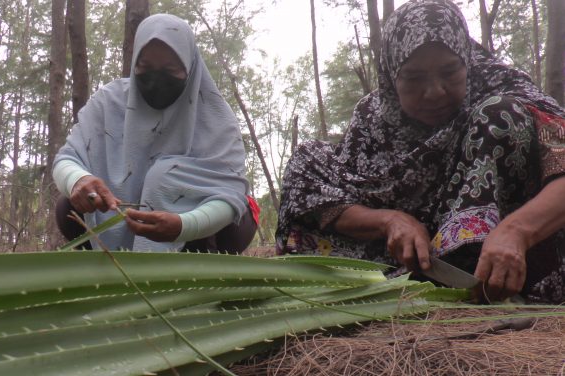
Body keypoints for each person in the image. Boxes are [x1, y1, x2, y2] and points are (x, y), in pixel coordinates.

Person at [276, 0, 565, 303]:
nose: (434, 91)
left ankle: (494, 278)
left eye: (450, 72)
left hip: (510, 263)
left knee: (502, 116)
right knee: (304, 160)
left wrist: (518, 231)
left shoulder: (502, 88)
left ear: (466, 60)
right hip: (406, 262)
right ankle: (398, 282)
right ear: (391, 76)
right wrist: (389, 221)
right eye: (414, 79)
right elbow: (318, 187)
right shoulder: (372, 121)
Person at [53, 14, 258, 253]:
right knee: (66, 204)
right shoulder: (109, 102)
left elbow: (230, 193)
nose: (156, 78)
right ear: (134, 65)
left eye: (170, 69)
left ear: (190, 69)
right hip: (120, 221)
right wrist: (79, 180)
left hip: (196, 230)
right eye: (145, 67)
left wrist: (185, 226)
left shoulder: (214, 116)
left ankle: (195, 272)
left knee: (229, 218)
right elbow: (67, 158)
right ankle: (109, 260)